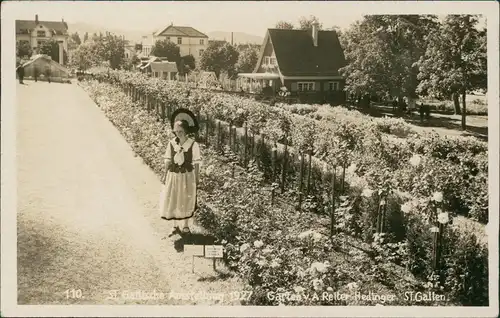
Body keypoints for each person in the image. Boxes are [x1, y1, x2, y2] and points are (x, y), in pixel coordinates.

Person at [159, 111, 201, 236]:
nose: (178, 134)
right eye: (176, 131)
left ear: (186, 131)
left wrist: (197, 178)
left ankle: (186, 226)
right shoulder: (172, 143)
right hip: (174, 175)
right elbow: (167, 160)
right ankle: (175, 225)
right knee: (174, 198)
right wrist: (165, 174)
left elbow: (197, 163)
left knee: (186, 198)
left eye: (181, 131)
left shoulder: (193, 145)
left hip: (187, 176)